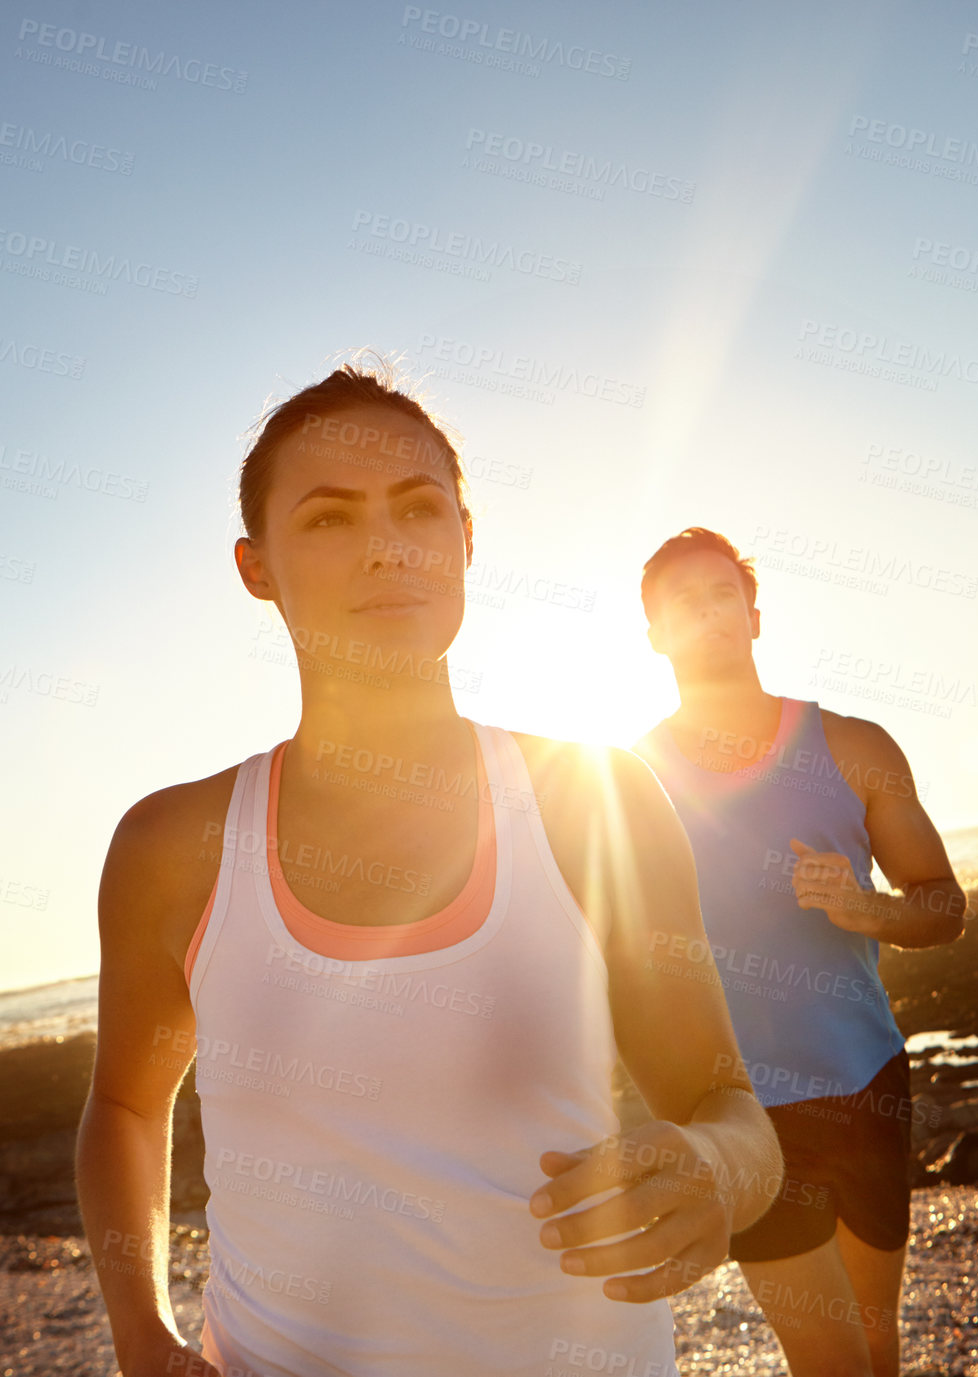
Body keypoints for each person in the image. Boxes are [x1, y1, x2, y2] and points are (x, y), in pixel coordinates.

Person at [74, 364, 782, 1377]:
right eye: (327, 520)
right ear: (255, 565)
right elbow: (128, 1107)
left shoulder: (594, 802)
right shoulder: (171, 847)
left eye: (418, 510)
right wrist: (141, 1332)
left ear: (464, 540)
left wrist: (713, 1170)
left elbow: (732, 1110)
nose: (385, 550)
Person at [631, 528, 966, 1377]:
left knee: (874, 1338)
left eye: (720, 594)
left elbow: (943, 904)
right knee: (827, 1356)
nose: (705, 614)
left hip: (866, 1081)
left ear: (751, 615)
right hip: (740, 1107)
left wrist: (868, 908)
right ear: (653, 635)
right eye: (681, 603)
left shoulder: (855, 746)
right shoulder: (631, 781)